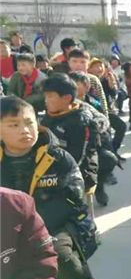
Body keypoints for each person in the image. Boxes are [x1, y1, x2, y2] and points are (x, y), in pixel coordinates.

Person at [0, 97, 98, 279]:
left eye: (29, 122)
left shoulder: (57, 157)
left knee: (59, 256)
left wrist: (34, 224)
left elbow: (72, 196)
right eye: (14, 125)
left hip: (56, 224)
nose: (25, 130)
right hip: (9, 228)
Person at [40, 74, 115, 207]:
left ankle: (98, 188)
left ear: (67, 98)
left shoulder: (81, 122)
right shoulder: (49, 117)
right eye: (45, 96)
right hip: (53, 167)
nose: (46, 100)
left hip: (78, 170)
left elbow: (79, 159)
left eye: (50, 96)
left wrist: (53, 175)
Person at [67, 49, 109, 117]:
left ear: (88, 64)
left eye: (83, 62)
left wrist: (105, 117)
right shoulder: (64, 79)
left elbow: (102, 100)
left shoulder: (93, 80)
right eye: (74, 61)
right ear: (68, 62)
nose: (78, 65)